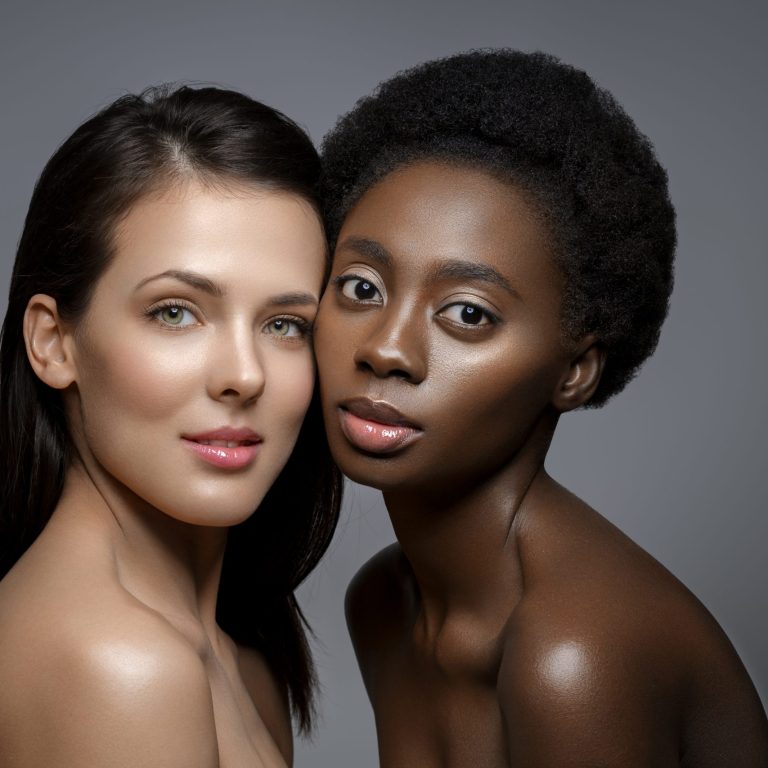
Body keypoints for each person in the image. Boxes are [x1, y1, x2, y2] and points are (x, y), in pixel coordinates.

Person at [315, 50, 768, 766]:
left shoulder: (573, 654)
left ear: (576, 371)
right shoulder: (381, 604)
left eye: (467, 312)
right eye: (362, 287)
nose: (387, 350)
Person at [0, 85, 341, 768]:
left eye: (284, 325)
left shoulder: (241, 660)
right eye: (176, 312)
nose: (244, 376)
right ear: (53, 342)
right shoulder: (120, 666)